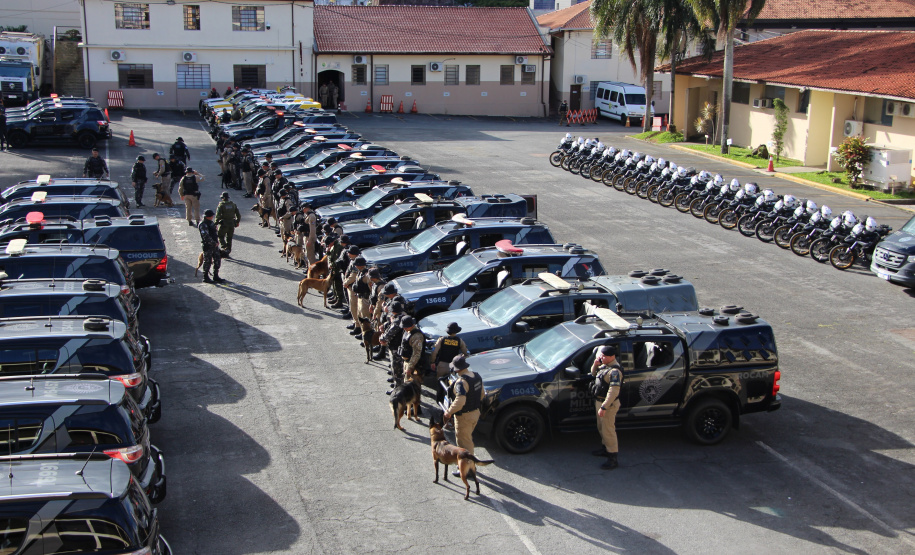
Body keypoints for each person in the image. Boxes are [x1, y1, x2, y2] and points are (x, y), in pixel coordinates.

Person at [443, 354, 484, 472]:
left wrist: (449, 412)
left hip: (464, 416)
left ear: (457, 369)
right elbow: (482, 394)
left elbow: (460, 401)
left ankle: (468, 469)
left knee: (464, 443)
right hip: (475, 412)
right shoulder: (476, 376)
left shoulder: (461, 382)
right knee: (468, 438)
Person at [590, 345, 622, 470]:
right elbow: (594, 373)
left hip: (608, 404)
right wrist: (595, 364)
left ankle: (613, 458)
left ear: (611, 357)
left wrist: (604, 407)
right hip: (600, 402)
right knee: (601, 428)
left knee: (608, 430)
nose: (601, 357)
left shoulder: (614, 372)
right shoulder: (605, 366)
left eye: (604, 356)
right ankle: (605, 449)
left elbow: (613, 391)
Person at [430, 322, 469, 405]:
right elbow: (466, 353)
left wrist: (432, 362)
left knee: (440, 383)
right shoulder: (459, 341)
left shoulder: (442, 339)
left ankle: (439, 400)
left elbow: (434, 352)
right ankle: (449, 402)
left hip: (441, 365)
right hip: (453, 367)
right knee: (451, 385)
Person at [199, 209, 224, 284]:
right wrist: (213, 243)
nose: (212, 216)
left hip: (214, 245)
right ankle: (205, 276)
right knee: (208, 261)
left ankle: (216, 275)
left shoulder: (211, 222)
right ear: (207, 216)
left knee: (217, 259)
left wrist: (216, 241)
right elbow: (205, 236)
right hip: (208, 245)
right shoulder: (203, 224)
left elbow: (214, 232)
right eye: (211, 215)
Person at [215, 191, 241, 256]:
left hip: (224, 223)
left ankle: (224, 247)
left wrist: (215, 223)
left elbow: (218, 215)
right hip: (232, 223)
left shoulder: (221, 205)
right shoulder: (233, 204)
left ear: (222, 198)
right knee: (229, 238)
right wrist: (237, 222)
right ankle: (228, 251)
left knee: (220, 236)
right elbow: (238, 215)